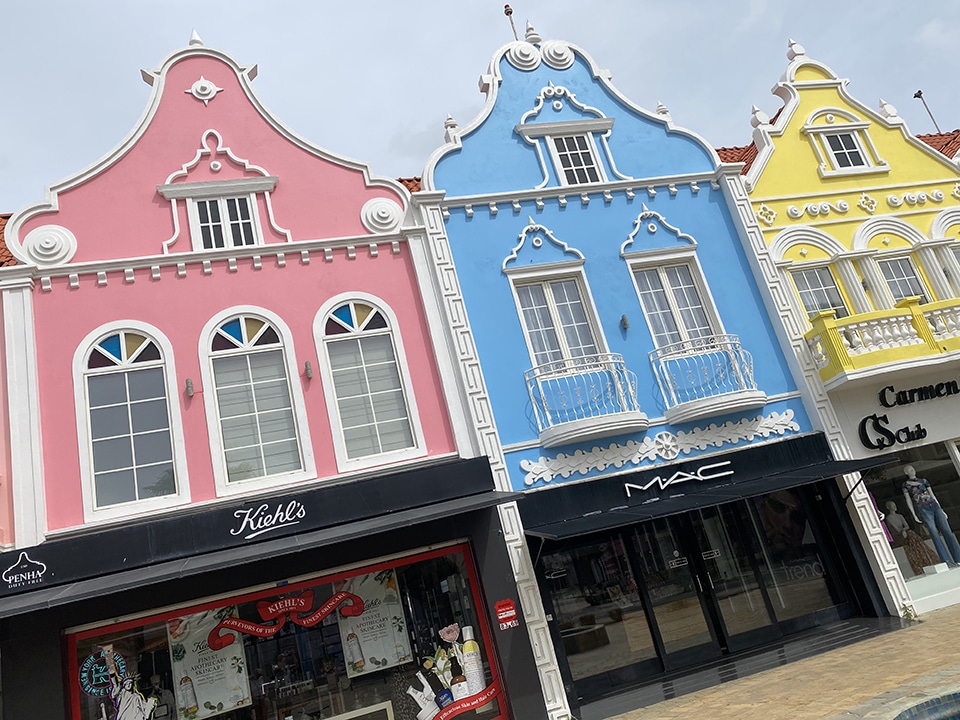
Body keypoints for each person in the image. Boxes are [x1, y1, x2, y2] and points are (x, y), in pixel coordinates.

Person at [902, 465, 960, 566]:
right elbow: (908, 500)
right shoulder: (906, 485)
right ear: (906, 473)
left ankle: (958, 558)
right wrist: (914, 514)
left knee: (947, 531)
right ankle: (946, 560)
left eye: (913, 468)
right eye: (910, 470)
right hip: (923, 507)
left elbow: (932, 495)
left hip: (933, 504)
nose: (913, 471)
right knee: (934, 533)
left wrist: (941, 509)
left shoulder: (924, 481)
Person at [885, 500, 942, 575]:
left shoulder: (900, 516)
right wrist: (902, 531)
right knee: (911, 534)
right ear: (888, 507)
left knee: (911, 534)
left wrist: (903, 530)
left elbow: (906, 526)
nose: (895, 506)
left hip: (905, 534)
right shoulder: (889, 518)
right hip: (897, 536)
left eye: (895, 504)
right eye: (893, 505)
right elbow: (896, 530)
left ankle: (923, 553)